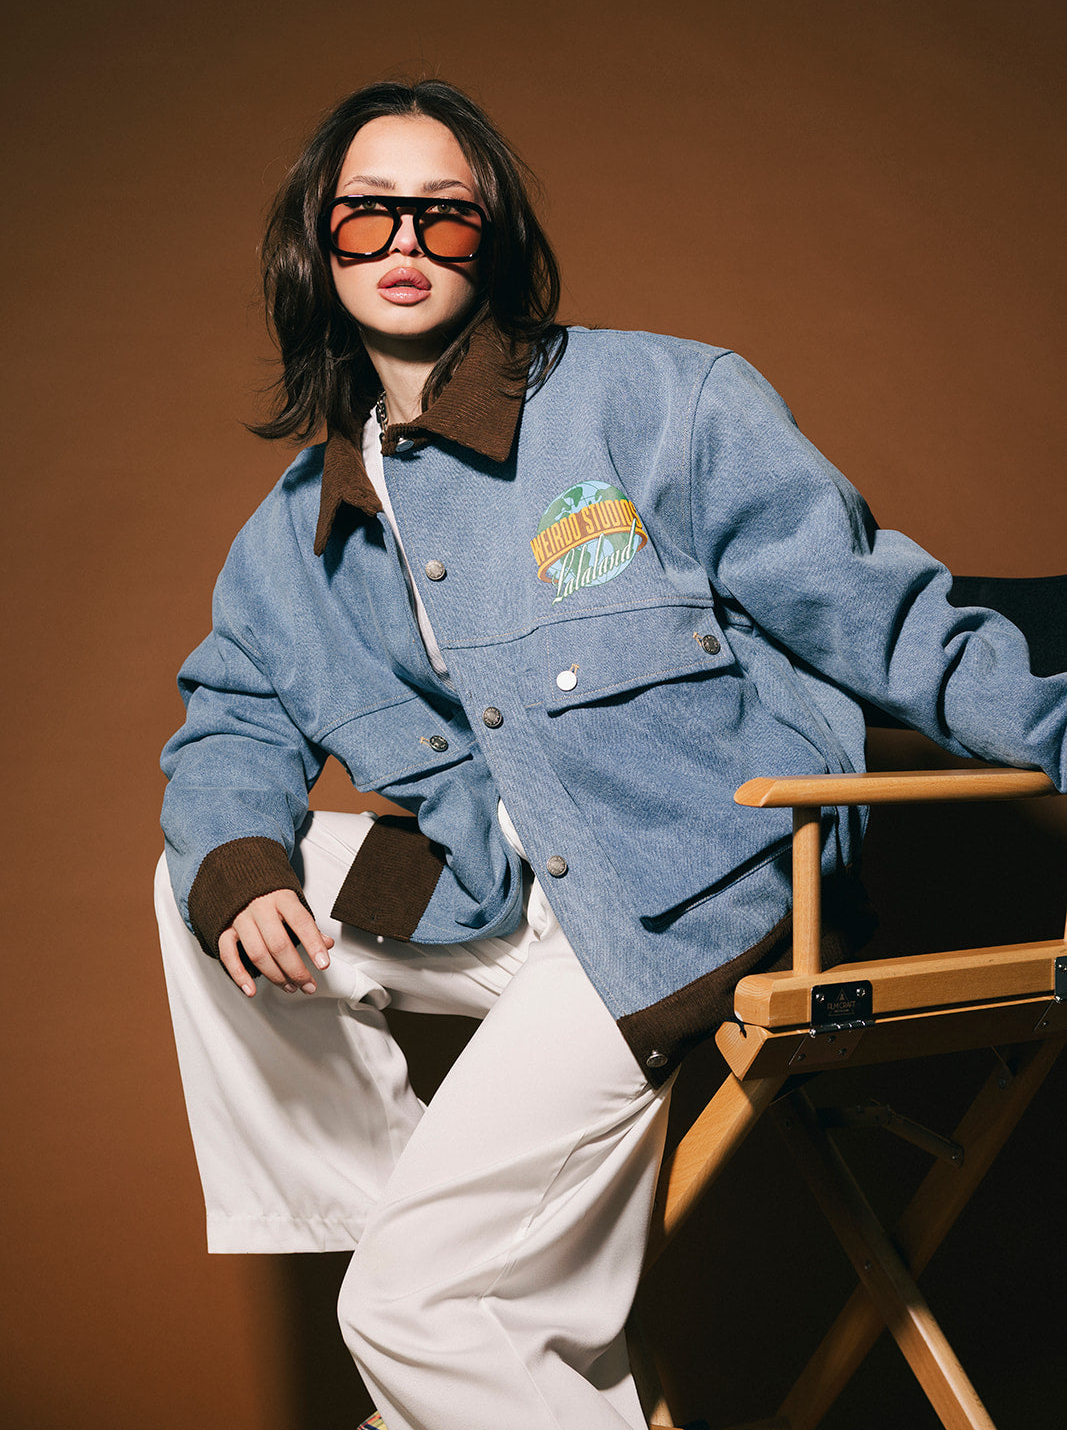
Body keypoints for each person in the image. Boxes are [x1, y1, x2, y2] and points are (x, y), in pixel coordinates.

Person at [156, 78, 1066, 1430]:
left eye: (441, 217)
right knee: (199, 880)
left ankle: (431, 1299)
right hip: (491, 893)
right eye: (365, 217)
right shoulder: (300, 522)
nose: (402, 245)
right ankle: (412, 1221)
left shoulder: (662, 399)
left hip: (672, 893)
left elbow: (887, 619)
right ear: (316, 246)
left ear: (494, 237)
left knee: (412, 1316)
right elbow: (230, 711)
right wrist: (241, 860)